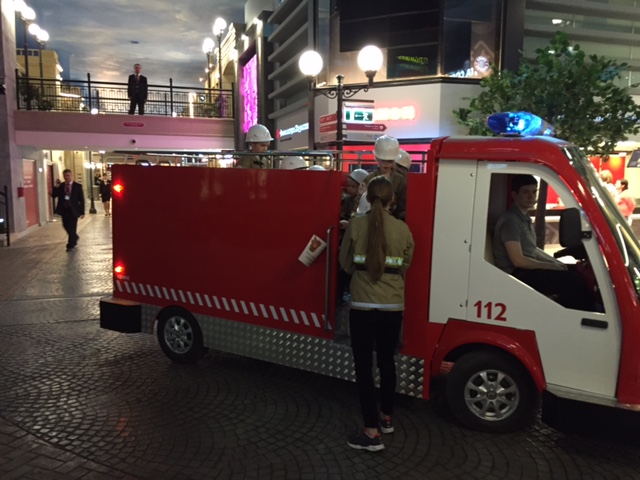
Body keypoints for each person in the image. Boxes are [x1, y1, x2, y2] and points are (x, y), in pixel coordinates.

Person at [339, 176, 415, 452]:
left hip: (362, 305)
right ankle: (386, 418)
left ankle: (370, 432)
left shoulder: (356, 225)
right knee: (386, 361)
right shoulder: (402, 229)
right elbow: (406, 263)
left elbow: (345, 264)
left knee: (364, 367)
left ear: (368, 199)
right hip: (392, 305)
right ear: (392, 199)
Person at [492, 174, 593, 311]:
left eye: (534, 192)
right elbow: (518, 260)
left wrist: (555, 263)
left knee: (573, 271)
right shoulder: (511, 221)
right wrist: (550, 266)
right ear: (514, 195)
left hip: (525, 269)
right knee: (572, 281)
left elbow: (532, 250)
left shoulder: (523, 218)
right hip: (515, 273)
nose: (531, 197)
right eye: (526, 192)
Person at [358, 136, 407, 220]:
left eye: (389, 161)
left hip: (393, 220)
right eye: (383, 160)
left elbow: (403, 206)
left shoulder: (400, 180)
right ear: (377, 158)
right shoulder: (368, 180)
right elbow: (360, 205)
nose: (386, 164)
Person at [52, 169, 85, 251]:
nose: (66, 177)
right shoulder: (61, 186)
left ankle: (70, 244)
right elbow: (54, 195)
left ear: (71, 176)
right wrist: (56, 186)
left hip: (74, 210)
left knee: (72, 227)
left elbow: (81, 199)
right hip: (64, 210)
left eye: (68, 175)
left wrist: (82, 212)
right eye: (65, 176)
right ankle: (74, 237)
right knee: (65, 225)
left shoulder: (77, 186)